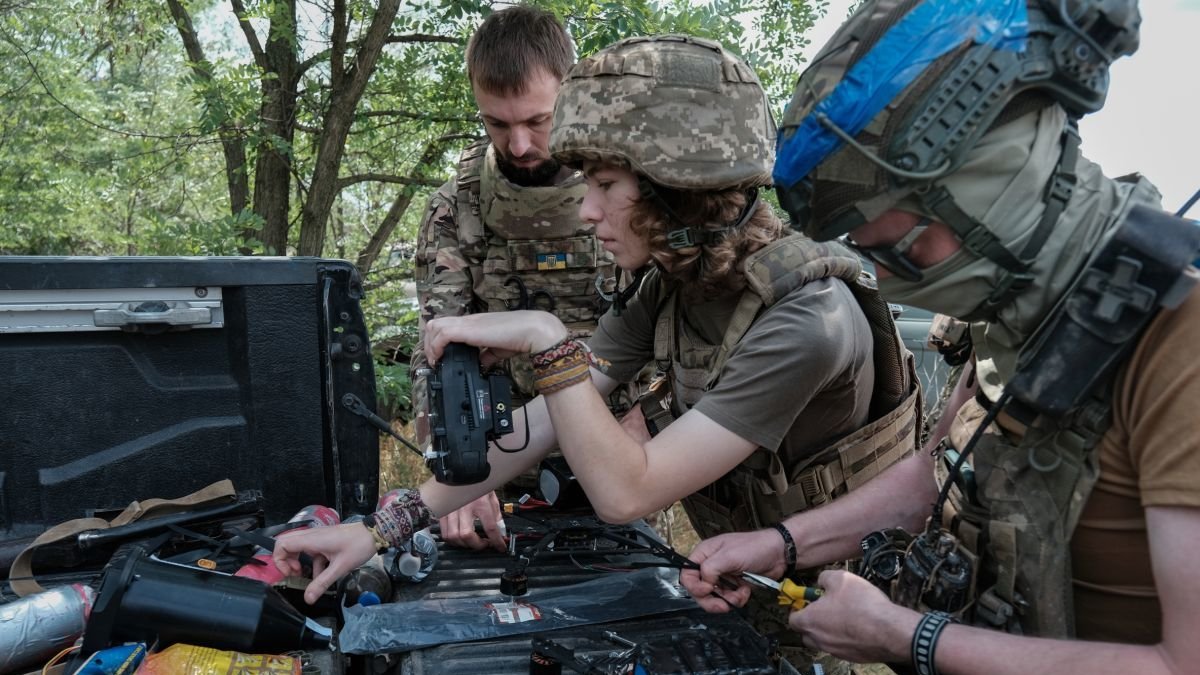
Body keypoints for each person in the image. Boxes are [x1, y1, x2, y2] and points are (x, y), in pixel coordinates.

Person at [274, 34, 920, 664]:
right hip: (754, 582)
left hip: (862, 616)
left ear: (677, 188)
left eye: (605, 184)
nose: (585, 211)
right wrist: (377, 531)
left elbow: (624, 491)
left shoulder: (807, 316)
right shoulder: (675, 284)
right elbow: (538, 423)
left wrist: (543, 336)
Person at [680, 1, 1200, 673]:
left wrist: (905, 635)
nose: (893, 284)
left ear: (988, 188)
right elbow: (931, 475)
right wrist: (778, 543)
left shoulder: (1176, 333)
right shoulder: (1016, 309)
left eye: (905, 247)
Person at [409, 6, 631, 544]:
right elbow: (439, 346)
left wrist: (646, 417)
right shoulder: (457, 208)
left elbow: (667, 328)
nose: (520, 146)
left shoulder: (626, 193)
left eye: (538, 120)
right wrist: (457, 466)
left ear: (572, 94)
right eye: (497, 124)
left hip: (616, 452)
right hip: (494, 457)